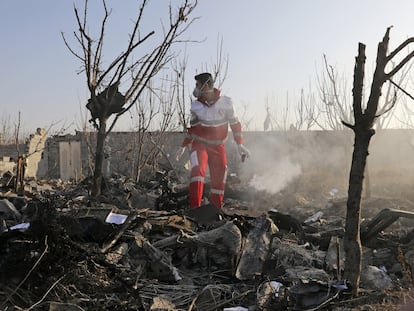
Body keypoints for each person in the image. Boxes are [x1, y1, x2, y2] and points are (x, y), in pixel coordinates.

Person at [176, 72, 250, 209]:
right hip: (200, 145)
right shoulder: (196, 106)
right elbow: (193, 129)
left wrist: (239, 143)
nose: (196, 88)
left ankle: (215, 210)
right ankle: (195, 210)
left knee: (220, 175)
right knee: (197, 171)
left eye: (198, 85)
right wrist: (184, 146)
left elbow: (235, 123)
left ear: (206, 84)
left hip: (218, 146)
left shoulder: (226, 103)